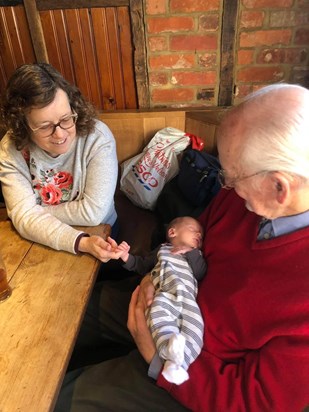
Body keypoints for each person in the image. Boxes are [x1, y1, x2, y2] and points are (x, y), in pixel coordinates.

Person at [55, 83, 309, 412]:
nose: (227, 186)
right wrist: (153, 275)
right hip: (168, 294)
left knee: (59, 400)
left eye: (232, 177)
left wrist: (159, 362)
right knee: (68, 314)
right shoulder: (244, 198)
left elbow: (253, 402)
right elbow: (189, 236)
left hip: (188, 368)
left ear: (279, 187)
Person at [0, 63, 122, 261]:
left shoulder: (98, 137)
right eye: (45, 126)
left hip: (100, 233)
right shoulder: (10, 149)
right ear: (22, 124)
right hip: (39, 239)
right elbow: (23, 216)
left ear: (74, 107)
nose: (60, 134)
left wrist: (33, 213)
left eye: (66, 119)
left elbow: (93, 213)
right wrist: (80, 242)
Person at [117, 216, 207, 384]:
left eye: (201, 235)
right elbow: (142, 265)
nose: (199, 235)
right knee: (158, 316)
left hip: (187, 298)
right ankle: (170, 355)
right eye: (193, 230)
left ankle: (180, 362)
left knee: (195, 328)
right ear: (172, 232)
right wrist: (125, 257)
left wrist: (191, 252)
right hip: (165, 294)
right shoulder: (162, 250)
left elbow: (200, 273)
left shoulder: (195, 255)